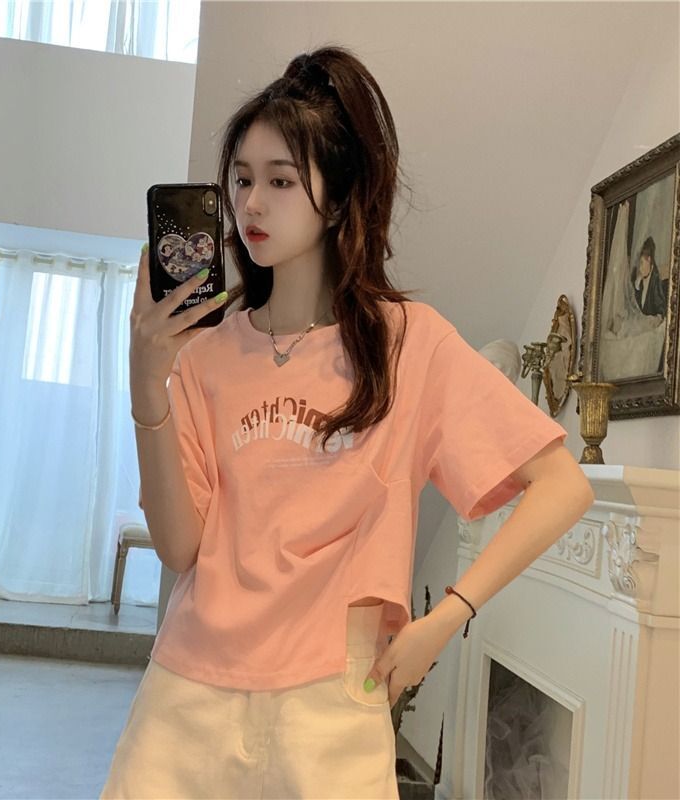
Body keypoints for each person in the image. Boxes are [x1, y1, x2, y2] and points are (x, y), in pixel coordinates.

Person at [101, 45, 594, 799]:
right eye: (241, 179)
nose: (251, 204)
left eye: (280, 180)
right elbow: (179, 547)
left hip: (330, 707)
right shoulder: (205, 358)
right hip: (189, 694)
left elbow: (562, 485)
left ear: (337, 198)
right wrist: (147, 384)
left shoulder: (407, 344)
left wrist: (446, 617)